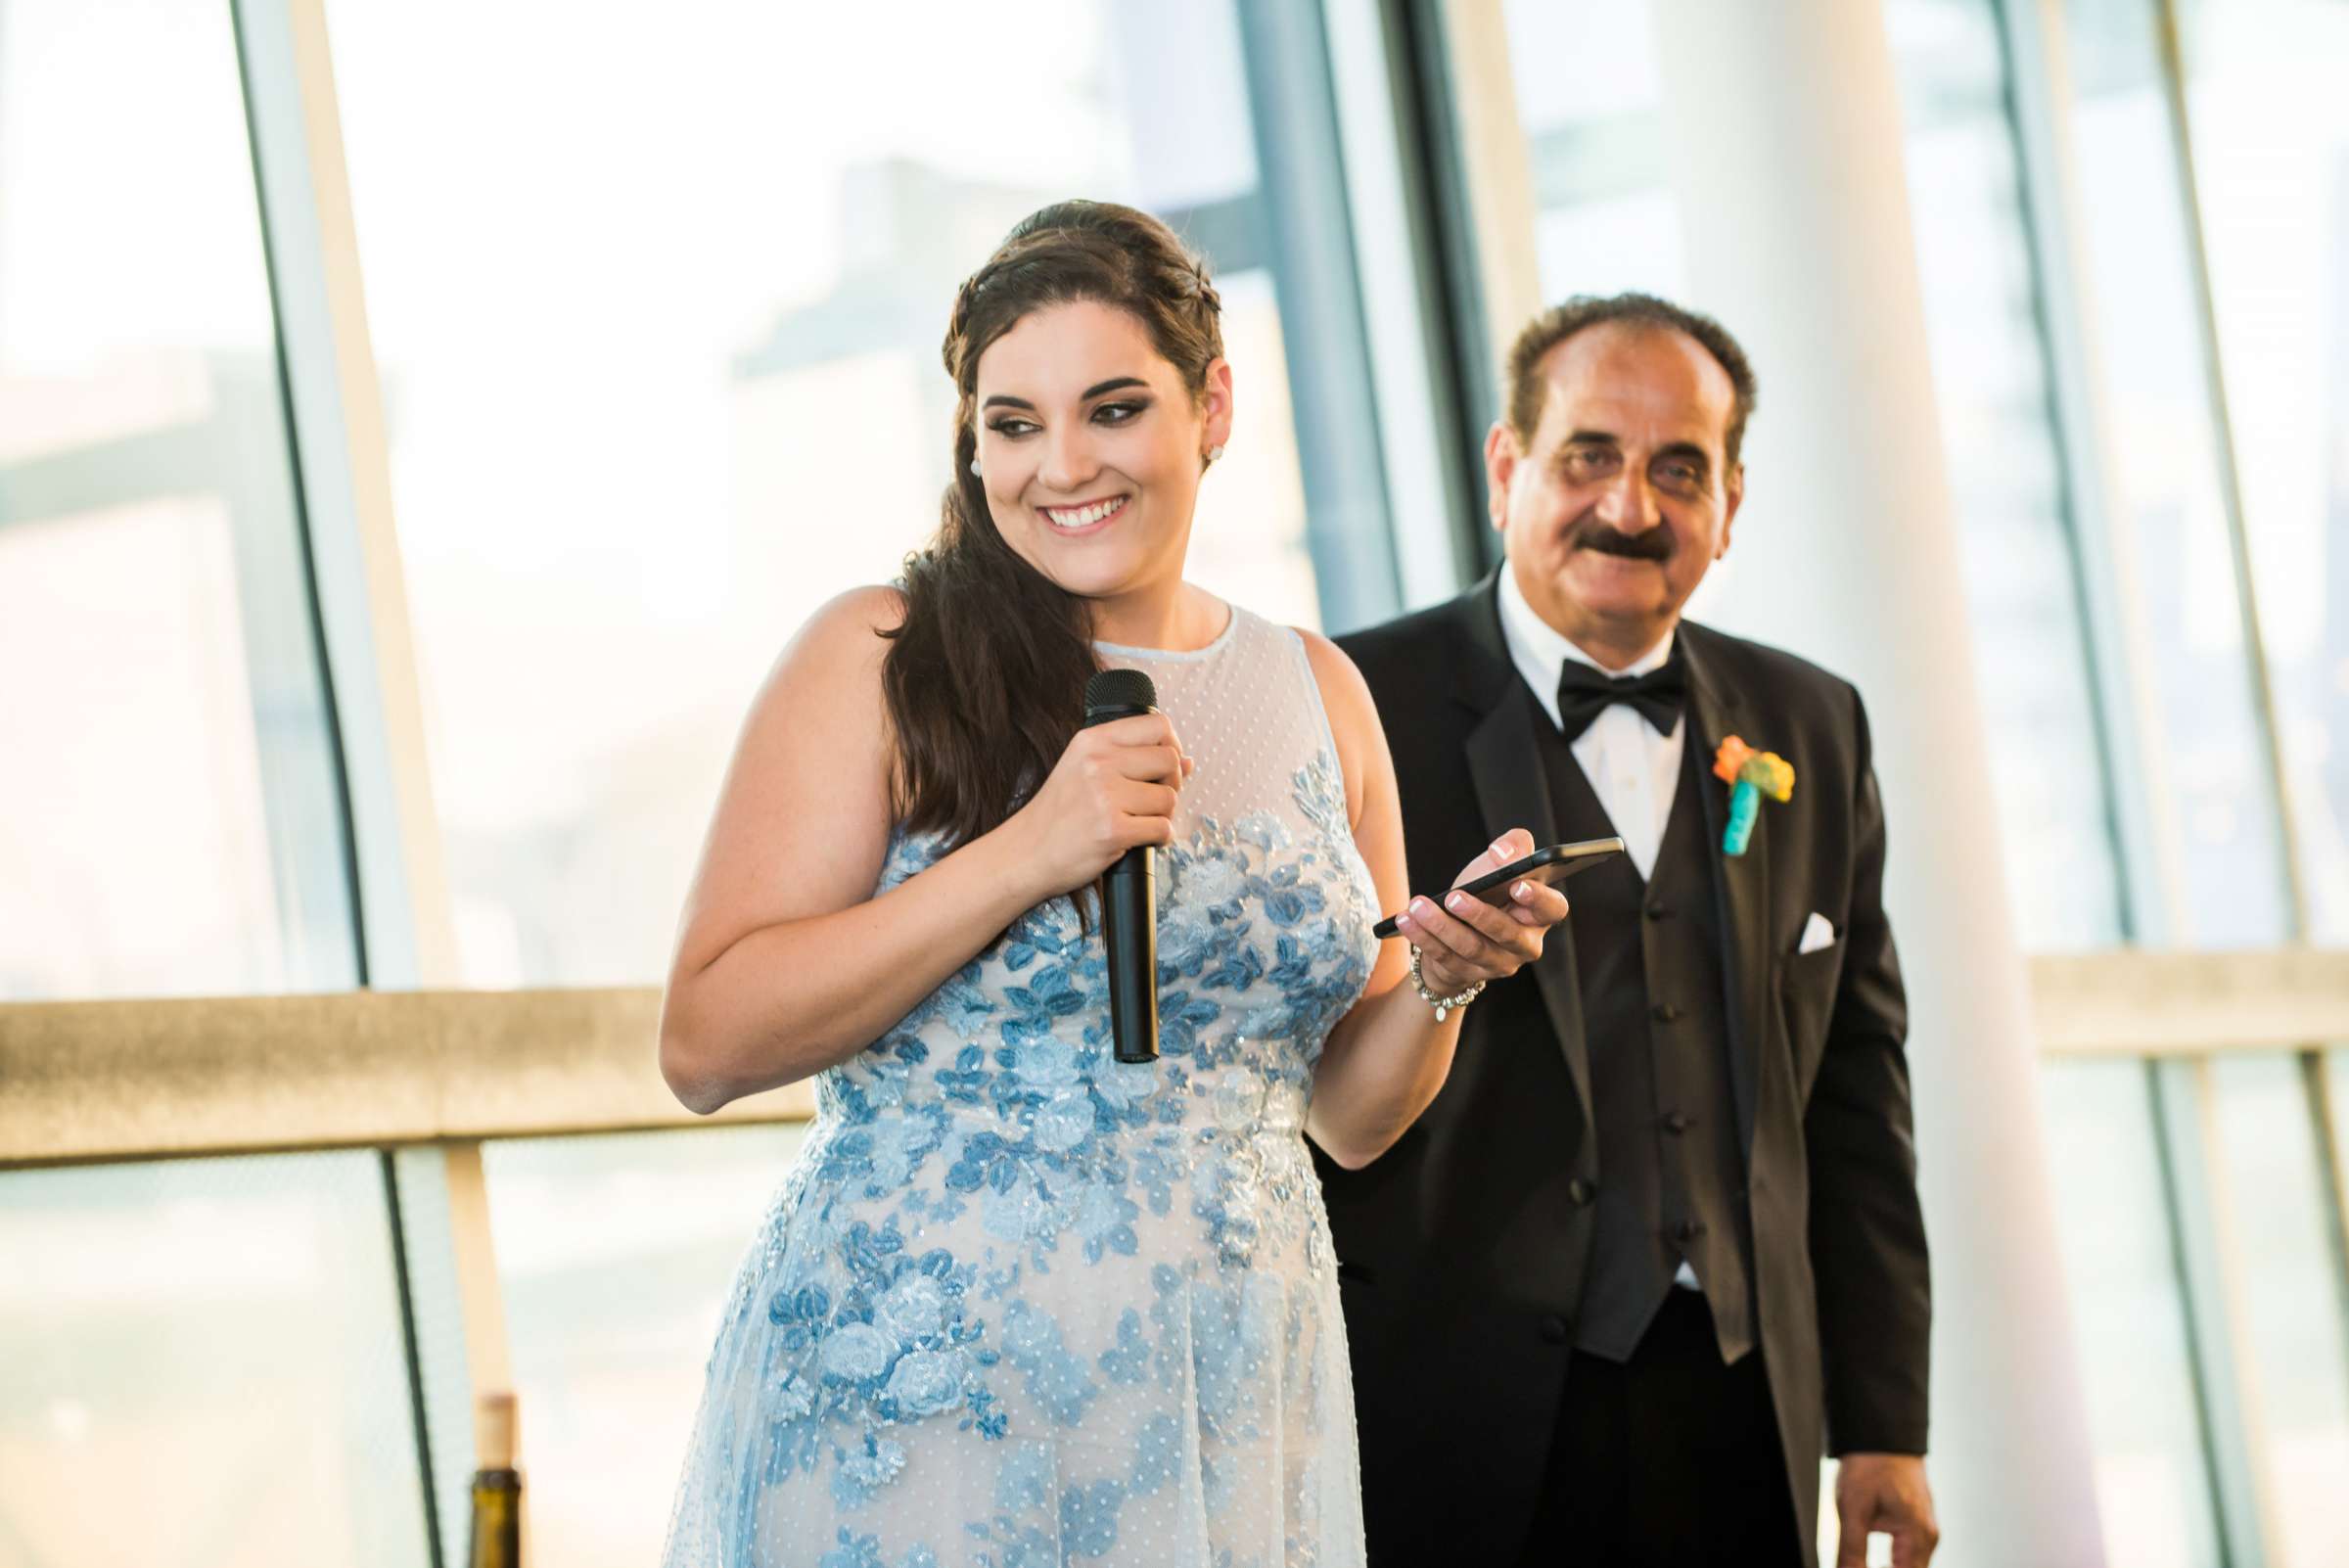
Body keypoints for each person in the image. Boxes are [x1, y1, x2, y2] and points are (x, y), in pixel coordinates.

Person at [654, 200, 1567, 1568]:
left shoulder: (1318, 689)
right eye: (1011, 422)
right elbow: (706, 1041)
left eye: (1113, 408)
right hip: (933, 1403)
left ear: (1213, 406)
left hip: (1229, 1380)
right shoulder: (881, 654)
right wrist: (1032, 848)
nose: (1059, 465)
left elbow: (1352, 1121)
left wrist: (1440, 977)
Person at [1314, 294, 1939, 1568]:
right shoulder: (1353, 704)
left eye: (1679, 469)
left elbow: (1857, 1094)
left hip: (1745, 1400)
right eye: (1590, 454)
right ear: (1508, 469)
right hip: (1456, 1419)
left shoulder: (1813, 722)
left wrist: (1885, 1424)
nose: (1632, 506)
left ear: (1732, 501)